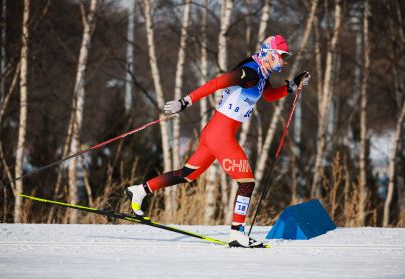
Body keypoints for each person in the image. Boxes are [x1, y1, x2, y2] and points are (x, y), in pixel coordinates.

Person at [125, 35, 310, 248]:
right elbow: (216, 83)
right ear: (268, 53)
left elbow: (268, 96)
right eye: (281, 56)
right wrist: (184, 102)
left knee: (186, 175)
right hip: (220, 135)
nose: (284, 61)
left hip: (214, 133)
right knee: (247, 182)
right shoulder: (249, 72)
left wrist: (292, 87)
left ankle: (139, 190)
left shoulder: (261, 74)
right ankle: (237, 233)